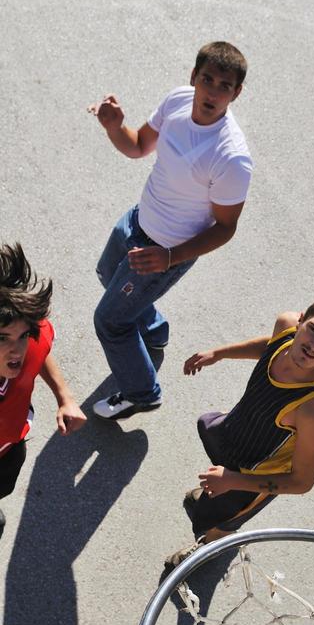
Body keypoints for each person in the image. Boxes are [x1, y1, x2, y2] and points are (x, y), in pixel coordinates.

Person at [88, 41, 252, 419]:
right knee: (105, 272)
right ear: (193, 77)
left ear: (236, 93)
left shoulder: (231, 157)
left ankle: (141, 392)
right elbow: (139, 145)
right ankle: (154, 329)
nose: (212, 91)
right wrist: (115, 128)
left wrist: (169, 258)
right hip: (138, 220)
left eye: (224, 85)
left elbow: (226, 228)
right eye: (207, 78)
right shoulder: (178, 100)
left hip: (164, 252)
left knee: (110, 321)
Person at [166, 296, 314, 566]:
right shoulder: (286, 325)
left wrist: (232, 481)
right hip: (234, 433)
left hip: (254, 475)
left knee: (226, 519)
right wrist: (219, 354)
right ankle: (212, 497)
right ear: (300, 319)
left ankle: (205, 550)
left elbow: (302, 482)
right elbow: (271, 345)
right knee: (214, 486)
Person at [0, 244, 86, 537]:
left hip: (9, 450)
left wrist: (65, 397)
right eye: (3, 339)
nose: (17, 351)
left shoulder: (31, 343)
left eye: (22, 335)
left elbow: (40, 349)